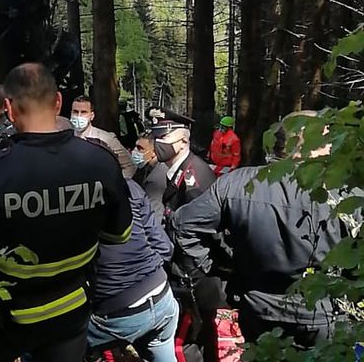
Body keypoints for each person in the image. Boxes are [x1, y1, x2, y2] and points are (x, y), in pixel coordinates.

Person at [0, 63, 133, 362]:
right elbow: (120, 233)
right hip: (71, 312)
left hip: (8, 316)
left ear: (9, 108)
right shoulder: (100, 162)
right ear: (59, 102)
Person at [171, 120, 353, 348]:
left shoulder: (237, 184)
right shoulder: (346, 194)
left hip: (259, 307)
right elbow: (185, 226)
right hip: (320, 313)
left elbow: (183, 226)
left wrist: (217, 268)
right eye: (326, 142)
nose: (332, 148)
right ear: (308, 146)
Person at [147, 107, 220, 362]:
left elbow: (202, 232)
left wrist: (186, 274)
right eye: (155, 138)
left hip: (194, 277)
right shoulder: (176, 170)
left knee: (192, 342)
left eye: (163, 139)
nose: (158, 144)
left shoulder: (194, 176)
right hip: (183, 273)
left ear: (183, 141)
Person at [88, 175, 177, 362]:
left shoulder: (68, 198)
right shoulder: (128, 185)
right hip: (162, 296)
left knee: (48, 347)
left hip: (116, 312)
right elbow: (164, 247)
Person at [70, 95, 135, 178]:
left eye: (84, 112)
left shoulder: (106, 139)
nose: (79, 116)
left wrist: (113, 184)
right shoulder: (64, 137)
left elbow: (129, 166)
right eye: (75, 112)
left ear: (92, 115)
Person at [131, 135, 168, 221]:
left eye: (140, 148)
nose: (134, 151)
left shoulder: (157, 178)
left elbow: (154, 214)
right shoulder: (145, 168)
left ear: (154, 152)